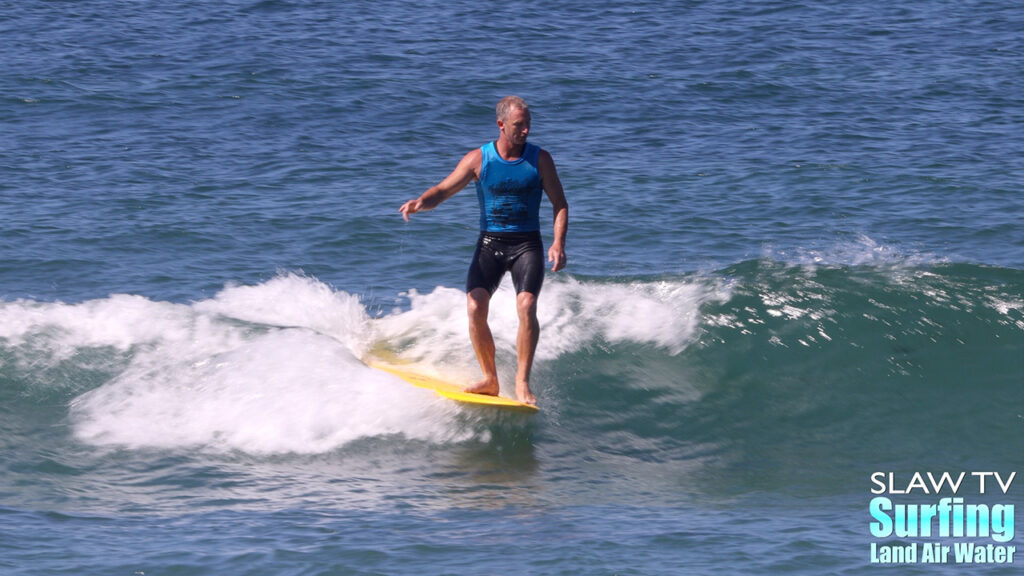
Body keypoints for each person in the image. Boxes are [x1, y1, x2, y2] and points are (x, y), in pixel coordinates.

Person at [399, 95, 568, 406]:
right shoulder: (479, 159)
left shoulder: (540, 159)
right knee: (476, 307)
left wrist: (558, 243)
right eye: (519, 125)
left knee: (527, 305)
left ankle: (521, 382)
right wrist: (421, 202)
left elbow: (560, 205)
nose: (526, 130)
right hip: (490, 243)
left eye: (528, 124)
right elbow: (445, 189)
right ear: (501, 125)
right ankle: (490, 379)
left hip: (526, 244)